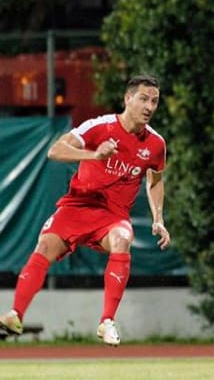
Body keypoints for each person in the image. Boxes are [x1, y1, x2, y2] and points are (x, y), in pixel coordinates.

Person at [0, 75, 171, 346]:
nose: (149, 106)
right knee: (44, 246)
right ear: (127, 99)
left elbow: (155, 180)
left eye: (154, 101)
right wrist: (94, 155)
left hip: (113, 216)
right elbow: (55, 150)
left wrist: (158, 218)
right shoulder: (100, 126)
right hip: (77, 206)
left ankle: (107, 321)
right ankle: (15, 315)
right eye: (143, 99)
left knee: (122, 239)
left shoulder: (156, 144)